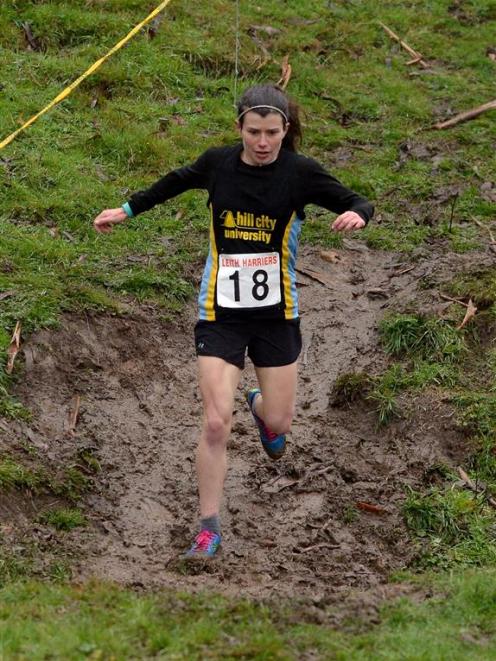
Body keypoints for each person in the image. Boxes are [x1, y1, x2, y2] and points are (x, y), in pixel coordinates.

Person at [93, 84, 374, 560]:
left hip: (276, 316)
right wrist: (126, 209)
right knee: (215, 424)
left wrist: (355, 215)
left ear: (286, 130)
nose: (262, 143)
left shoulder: (301, 172)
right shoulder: (218, 163)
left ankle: (260, 405)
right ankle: (208, 527)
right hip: (220, 312)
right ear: (239, 128)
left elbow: (357, 200)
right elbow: (173, 182)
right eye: (253, 132)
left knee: (280, 422)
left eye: (271, 133)